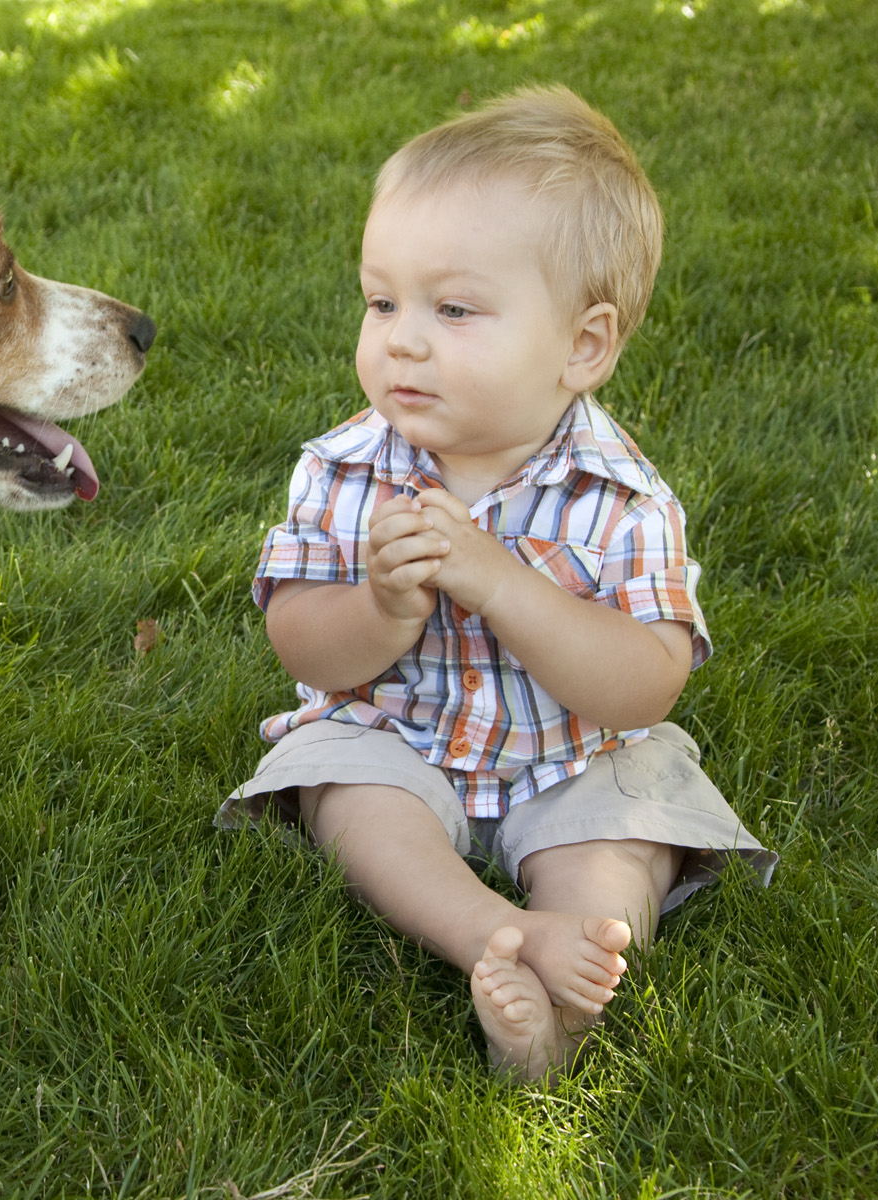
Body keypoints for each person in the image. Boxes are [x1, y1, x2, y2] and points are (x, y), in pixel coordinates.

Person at [217, 85, 776, 1080]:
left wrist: (502, 584)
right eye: (382, 300)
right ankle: (489, 934)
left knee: (622, 837)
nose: (402, 338)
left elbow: (644, 685)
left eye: (455, 308)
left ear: (584, 345)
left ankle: (557, 1005)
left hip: (574, 754)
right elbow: (299, 643)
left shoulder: (623, 499)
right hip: (399, 735)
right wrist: (380, 608)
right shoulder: (343, 469)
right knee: (346, 791)